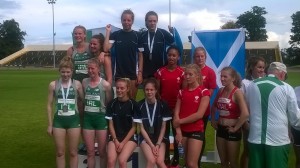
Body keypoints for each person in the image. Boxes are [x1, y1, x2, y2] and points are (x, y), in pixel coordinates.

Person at [245, 62, 300, 168]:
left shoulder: (252, 85)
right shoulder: (286, 87)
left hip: (255, 137)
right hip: (278, 140)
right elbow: (295, 119)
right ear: (282, 74)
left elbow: (247, 109)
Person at [47, 57, 84, 168]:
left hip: (74, 121)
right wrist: (50, 125)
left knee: (73, 152)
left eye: (68, 72)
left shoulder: (77, 84)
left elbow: (83, 100)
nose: (65, 74)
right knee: (60, 152)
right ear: (59, 71)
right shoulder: (53, 85)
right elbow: (48, 105)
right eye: (63, 72)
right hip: (58, 122)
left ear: (72, 71)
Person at [211, 66, 249, 168]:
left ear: (233, 78)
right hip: (220, 129)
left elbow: (245, 113)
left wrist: (236, 128)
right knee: (223, 162)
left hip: (232, 131)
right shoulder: (221, 91)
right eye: (221, 76)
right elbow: (214, 106)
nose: (222, 79)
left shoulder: (237, 93)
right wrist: (213, 120)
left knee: (233, 163)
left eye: (225, 77)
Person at [173, 64, 210, 168]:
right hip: (183, 132)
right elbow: (176, 113)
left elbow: (199, 115)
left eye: (190, 74)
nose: (187, 77)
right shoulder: (181, 92)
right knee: (185, 162)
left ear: (197, 75)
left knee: (192, 164)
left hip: (196, 131)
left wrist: (179, 122)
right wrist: (178, 132)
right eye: (186, 74)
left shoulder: (204, 92)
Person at [154, 45, 184, 167]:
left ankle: (176, 160)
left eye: (174, 55)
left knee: (178, 135)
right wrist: (162, 106)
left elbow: (183, 92)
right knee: (164, 135)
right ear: (166, 56)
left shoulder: (182, 73)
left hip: (177, 110)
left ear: (178, 57)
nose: (171, 57)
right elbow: (157, 91)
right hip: (164, 110)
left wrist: (177, 108)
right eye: (169, 55)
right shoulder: (160, 72)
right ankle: (165, 158)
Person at [104, 9, 143, 99]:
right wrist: (108, 32)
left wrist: (140, 73)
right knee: (121, 99)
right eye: (124, 20)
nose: (126, 22)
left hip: (133, 74)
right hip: (119, 74)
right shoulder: (116, 35)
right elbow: (106, 48)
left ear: (132, 21)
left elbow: (141, 56)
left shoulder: (138, 36)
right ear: (121, 21)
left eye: (128, 20)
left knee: (132, 100)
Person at [134, 78, 172, 168]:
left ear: (156, 90)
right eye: (147, 90)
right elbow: (141, 128)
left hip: (160, 138)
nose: (149, 92)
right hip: (145, 139)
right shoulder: (139, 105)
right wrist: (152, 145)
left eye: (151, 90)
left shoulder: (163, 105)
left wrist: (158, 144)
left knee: (159, 161)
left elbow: (164, 127)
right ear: (144, 90)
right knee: (151, 160)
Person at [82, 58, 112, 168]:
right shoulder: (84, 82)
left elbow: (108, 103)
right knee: (90, 152)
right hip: (88, 119)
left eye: (92, 68)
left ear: (98, 69)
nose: (90, 71)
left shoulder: (105, 85)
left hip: (100, 119)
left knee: (102, 152)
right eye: (88, 68)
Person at [105, 78, 138, 168]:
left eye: (122, 88)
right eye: (117, 88)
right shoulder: (111, 104)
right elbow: (110, 124)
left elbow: (134, 127)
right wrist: (115, 140)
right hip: (115, 137)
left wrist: (123, 143)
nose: (119, 90)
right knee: (111, 161)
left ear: (127, 89)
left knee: (122, 160)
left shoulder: (133, 105)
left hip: (129, 138)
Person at [193, 46, 217, 166]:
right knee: (189, 134)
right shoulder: (190, 71)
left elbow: (211, 90)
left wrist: (202, 101)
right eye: (197, 56)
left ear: (205, 57)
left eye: (202, 56)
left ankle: (197, 161)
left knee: (200, 134)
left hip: (203, 110)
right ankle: (190, 160)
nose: (200, 58)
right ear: (194, 57)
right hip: (189, 110)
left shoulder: (210, 72)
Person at [240, 56, 266, 168]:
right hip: (250, 121)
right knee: (248, 150)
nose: (262, 70)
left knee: (263, 149)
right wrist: (245, 121)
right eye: (259, 67)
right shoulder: (245, 82)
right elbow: (241, 103)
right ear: (251, 68)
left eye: (263, 67)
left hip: (264, 120)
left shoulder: (266, 81)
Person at [141, 11, 174, 79]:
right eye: (150, 21)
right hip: (146, 73)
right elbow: (139, 54)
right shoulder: (142, 35)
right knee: (148, 90)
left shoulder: (163, 33)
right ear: (146, 22)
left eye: (154, 21)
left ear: (157, 21)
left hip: (161, 71)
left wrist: (173, 32)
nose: (152, 23)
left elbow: (175, 44)